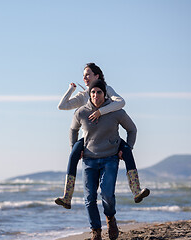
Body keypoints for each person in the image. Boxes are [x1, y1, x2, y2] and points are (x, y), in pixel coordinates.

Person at [55, 63, 149, 210]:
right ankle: (67, 197)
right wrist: (71, 90)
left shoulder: (107, 89)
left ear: (97, 76)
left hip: (109, 134)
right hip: (89, 138)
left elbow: (121, 102)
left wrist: (101, 112)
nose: (85, 77)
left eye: (88, 74)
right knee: (73, 153)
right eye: (84, 75)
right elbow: (62, 106)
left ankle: (136, 191)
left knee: (127, 151)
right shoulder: (83, 95)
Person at [71, 79, 137, 240]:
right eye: (92, 92)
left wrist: (127, 149)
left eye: (99, 92)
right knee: (89, 198)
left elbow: (132, 129)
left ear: (104, 94)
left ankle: (110, 218)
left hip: (110, 159)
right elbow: (73, 129)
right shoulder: (81, 112)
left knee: (107, 194)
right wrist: (75, 148)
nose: (95, 95)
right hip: (89, 160)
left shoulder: (116, 112)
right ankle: (96, 232)